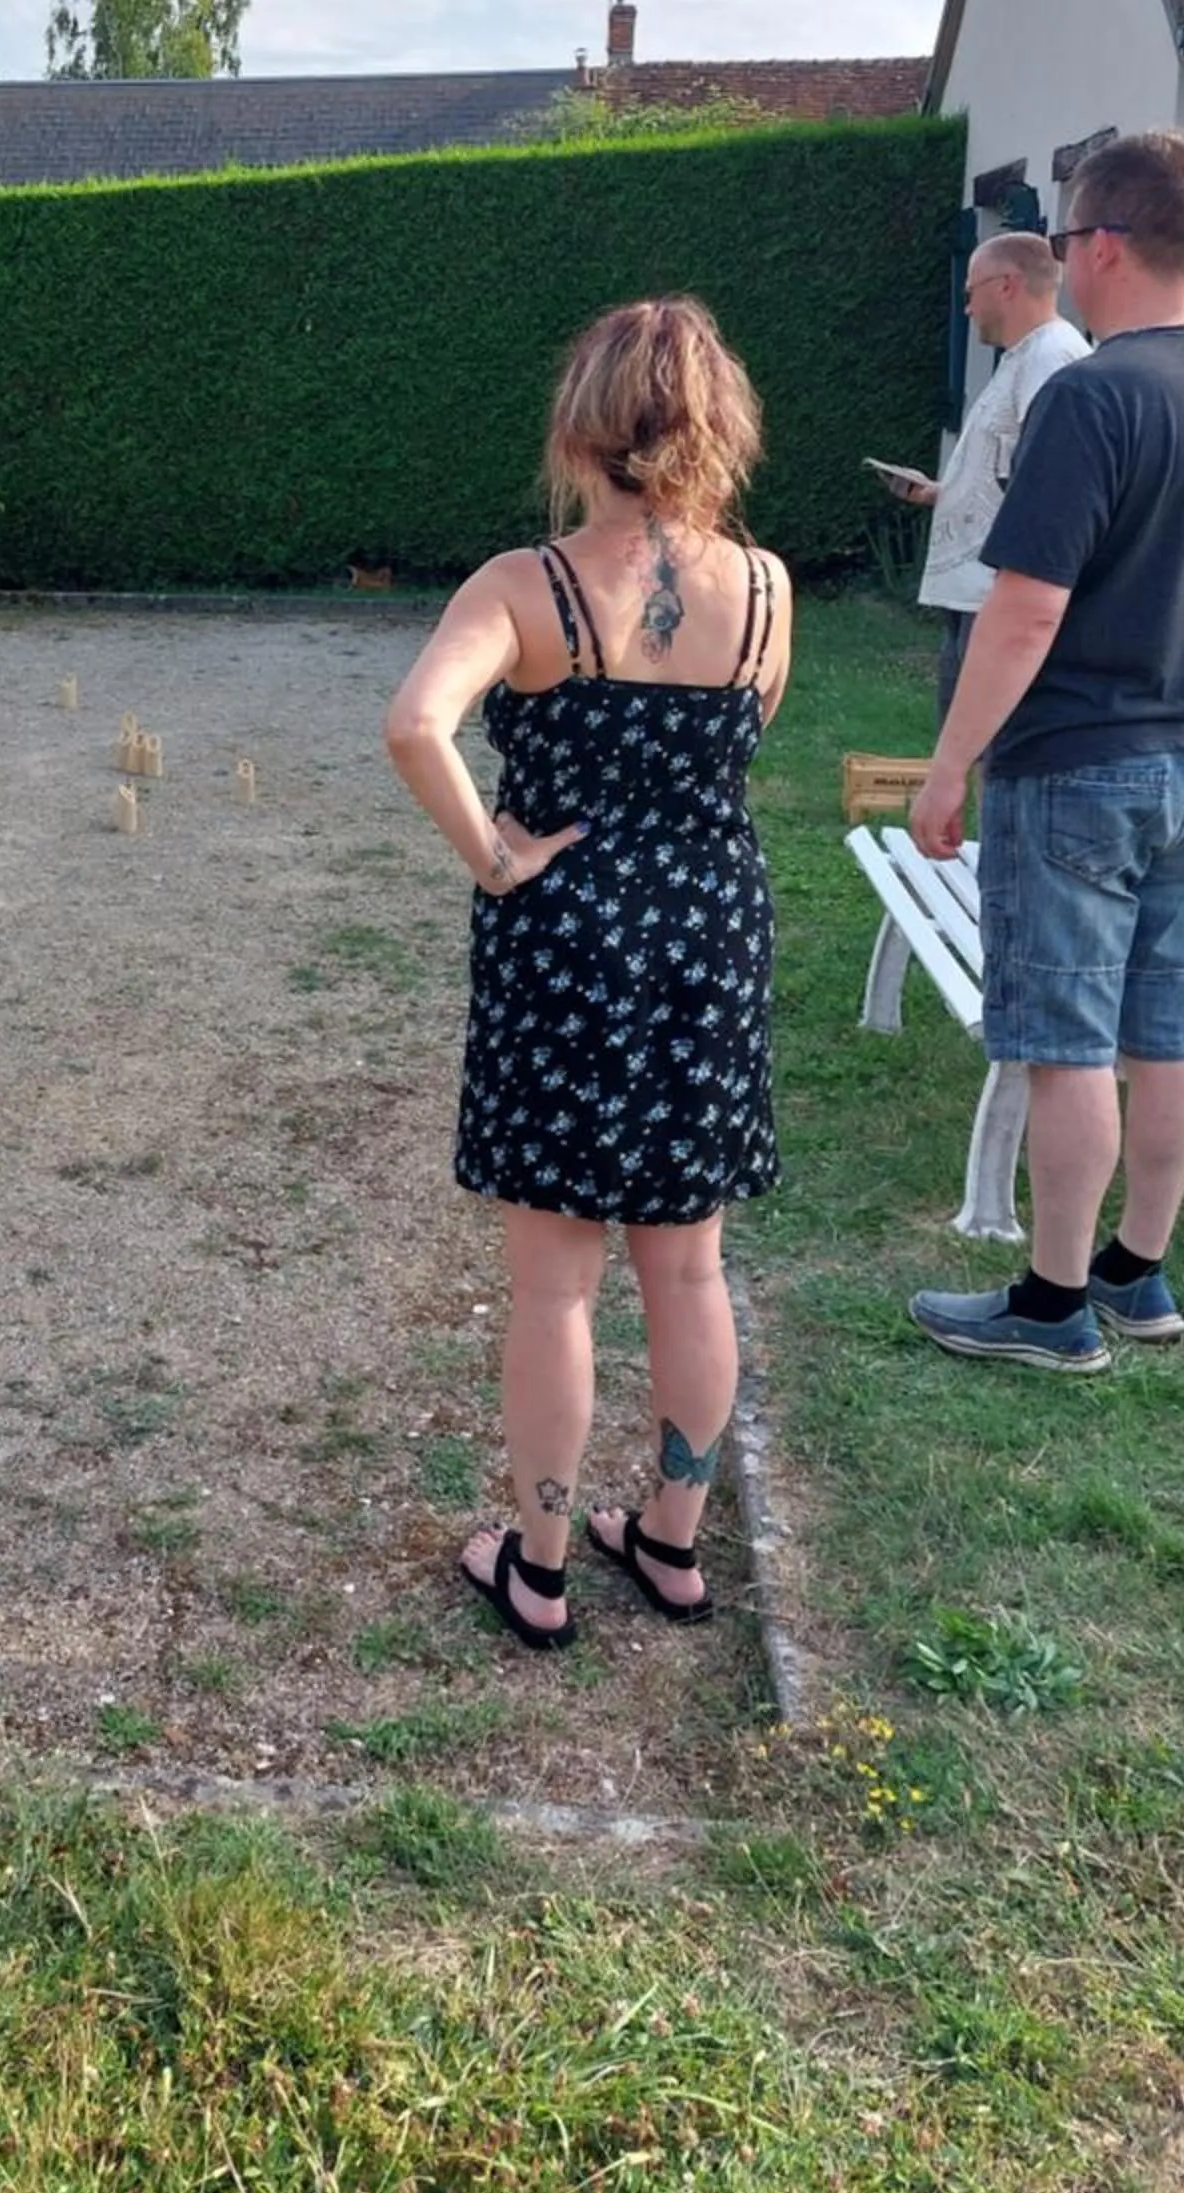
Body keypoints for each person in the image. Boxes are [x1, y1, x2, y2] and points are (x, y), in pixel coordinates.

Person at [385, 297, 792, 1645]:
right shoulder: (768, 595)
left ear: (580, 430)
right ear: (715, 428)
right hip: (706, 941)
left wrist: (494, 856)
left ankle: (541, 1565)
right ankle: (669, 1545)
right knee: (687, 1270)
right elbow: (735, 748)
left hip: (562, 940)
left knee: (556, 1284)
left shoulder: (523, 588)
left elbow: (415, 727)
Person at [906, 131, 1184, 1374]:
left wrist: (946, 765)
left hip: (1079, 760)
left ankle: (1052, 1302)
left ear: (1109, 245)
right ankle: (1139, 1274)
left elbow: (1023, 609)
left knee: (1065, 1039)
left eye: (1073, 240)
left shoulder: (1093, 394)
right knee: (1170, 1031)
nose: (1069, 265)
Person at [886, 231, 1089, 722]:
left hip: (998, 596)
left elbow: (1052, 481)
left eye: (970, 292)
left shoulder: (1053, 358)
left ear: (1007, 285)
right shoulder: (1023, 357)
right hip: (974, 592)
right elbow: (1008, 471)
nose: (967, 309)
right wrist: (941, 494)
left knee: (990, 743)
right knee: (965, 742)